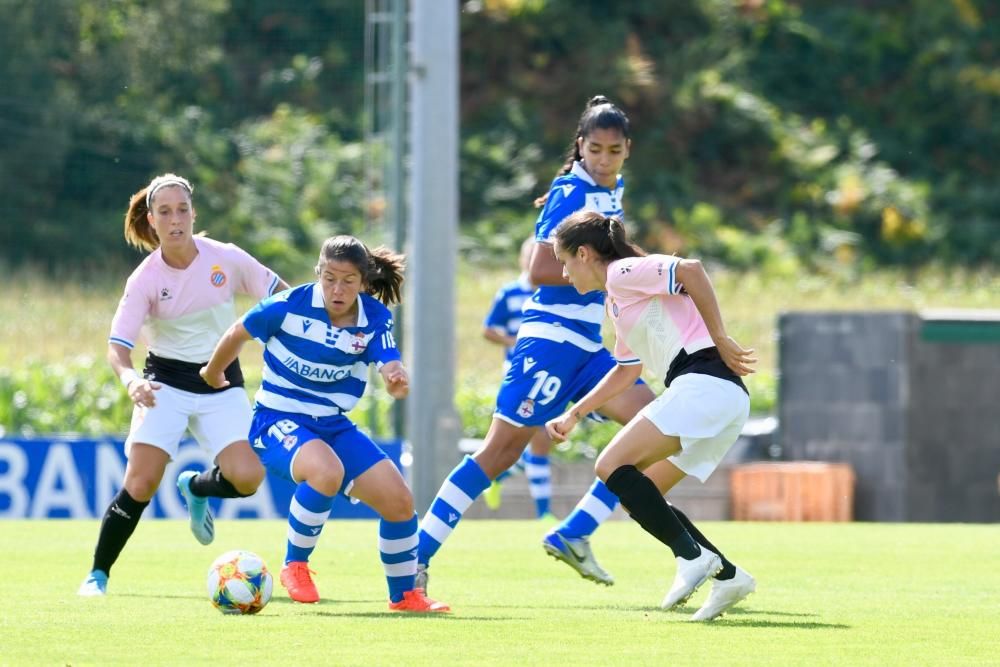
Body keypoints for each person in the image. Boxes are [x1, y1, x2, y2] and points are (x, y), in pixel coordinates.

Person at [415, 95, 707, 593]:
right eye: (594, 149)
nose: (603, 159)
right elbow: (538, 269)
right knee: (499, 453)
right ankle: (415, 557)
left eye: (613, 151)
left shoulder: (613, 191)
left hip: (588, 346)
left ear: (627, 151)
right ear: (580, 146)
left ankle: (575, 532)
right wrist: (628, 266)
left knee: (655, 432)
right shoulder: (571, 190)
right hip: (550, 341)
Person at [200, 235, 449, 613]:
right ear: (318, 273)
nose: (337, 289)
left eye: (348, 281)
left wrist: (396, 378)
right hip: (276, 420)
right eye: (329, 278)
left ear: (364, 283)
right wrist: (212, 372)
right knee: (326, 471)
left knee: (399, 502)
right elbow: (238, 332)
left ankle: (405, 596)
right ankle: (294, 566)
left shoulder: (374, 317)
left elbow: (389, 363)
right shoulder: (288, 306)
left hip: (332, 424)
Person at [78, 173, 288, 597]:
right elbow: (118, 349)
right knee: (140, 483)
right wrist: (132, 380)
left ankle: (195, 487)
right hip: (164, 384)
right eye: (165, 212)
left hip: (221, 380)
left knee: (248, 478)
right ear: (151, 221)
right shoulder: (144, 279)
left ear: (194, 213)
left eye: (183, 210)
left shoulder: (225, 258)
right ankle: (97, 575)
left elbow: (283, 296)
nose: (176, 220)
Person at [546, 210, 757, 621]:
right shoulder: (616, 302)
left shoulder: (623, 272)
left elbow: (691, 270)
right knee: (640, 492)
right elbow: (627, 370)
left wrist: (720, 337)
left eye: (565, 262)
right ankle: (727, 576)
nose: (566, 274)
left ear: (585, 254)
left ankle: (692, 556)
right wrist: (575, 414)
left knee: (610, 466)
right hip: (715, 394)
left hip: (706, 383)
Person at [481, 236, 554, 519]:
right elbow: (488, 329)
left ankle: (498, 478)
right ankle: (544, 512)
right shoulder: (510, 293)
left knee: (542, 440)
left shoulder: (554, 293)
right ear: (525, 260)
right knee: (538, 437)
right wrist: (513, 340)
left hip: (549, 376)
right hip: (519, 376)